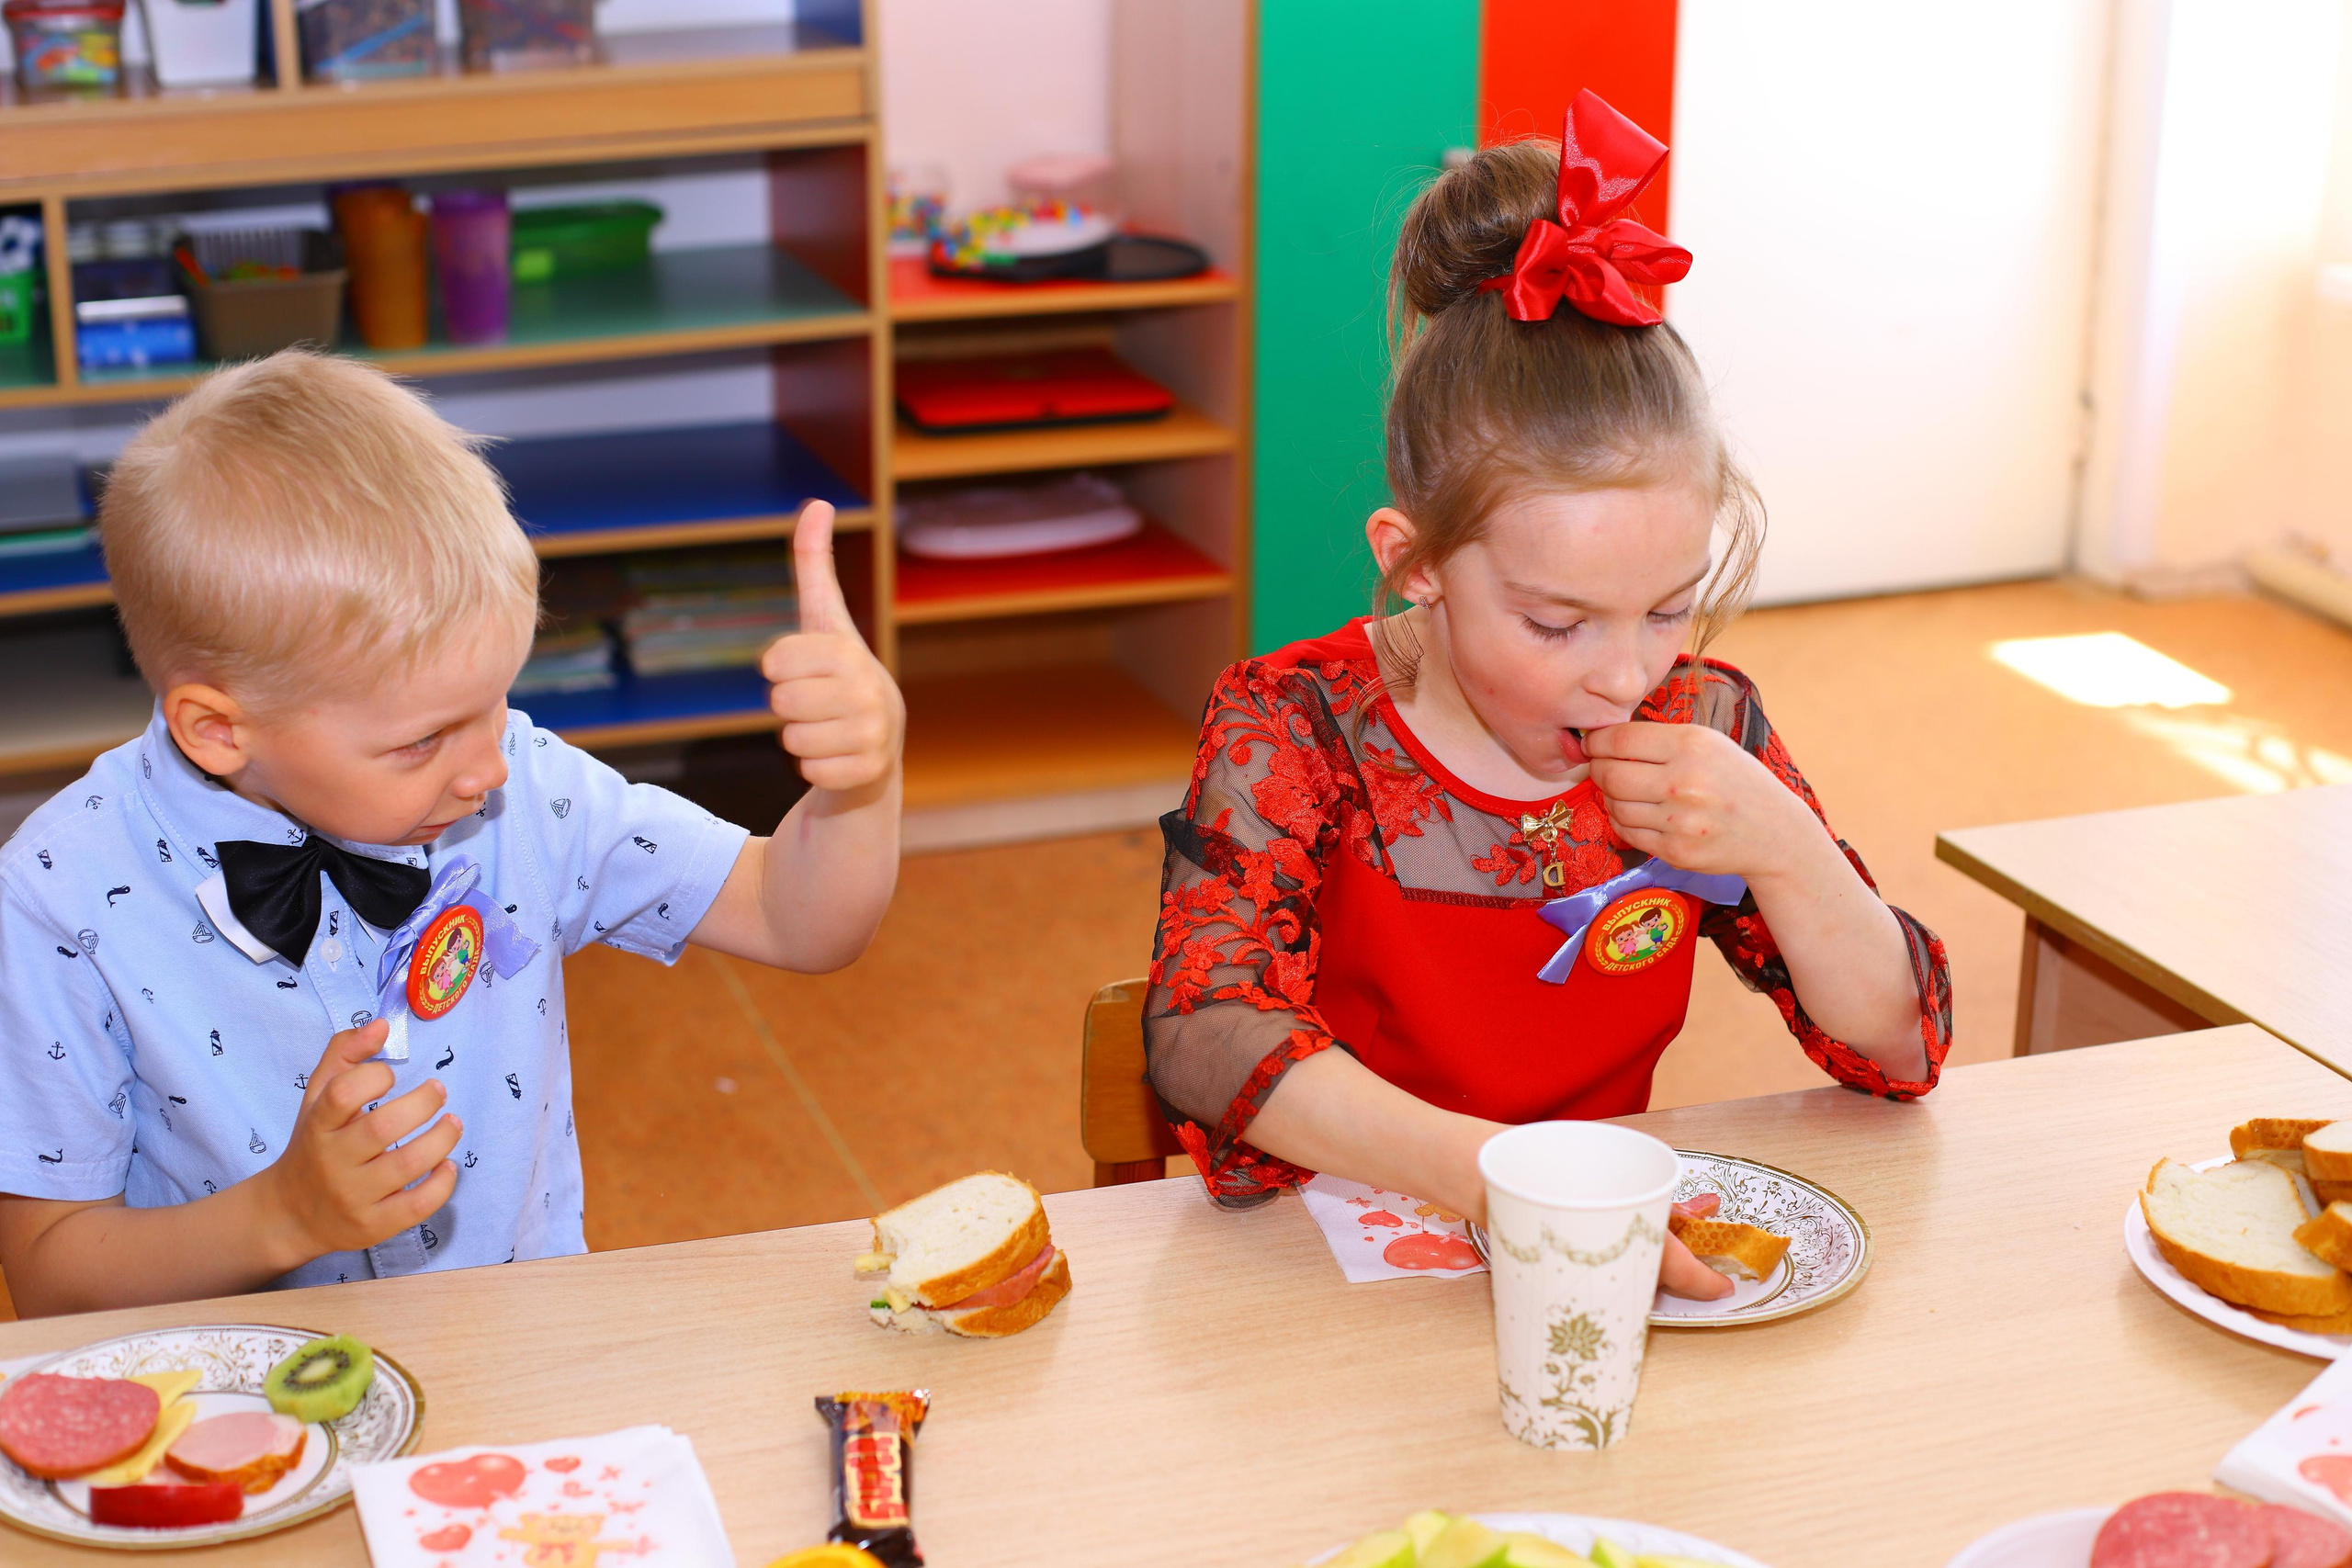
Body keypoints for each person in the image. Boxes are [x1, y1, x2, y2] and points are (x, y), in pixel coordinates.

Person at [1143, 94, 1952, 1297]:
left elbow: (1899, 1051)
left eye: (1670, 606)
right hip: (1331, 1265)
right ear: (1416, 563)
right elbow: (1205, 1032)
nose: (1627, 675)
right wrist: (1491, 1172)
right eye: (1556, 622)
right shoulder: (1297, 724)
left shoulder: (1703, 719)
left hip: (1584, 1258)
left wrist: (1783, 847)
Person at [0, 351, 902, 1316]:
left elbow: (799, 920)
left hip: (515, 1348)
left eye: (496, 700)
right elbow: (53, 1278)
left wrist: (862, 783)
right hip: (235, 1400)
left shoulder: (523, 789)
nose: (487, 770)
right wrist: (282, 1217)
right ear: (219, 731)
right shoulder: (58, 894)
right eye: (423, 739)